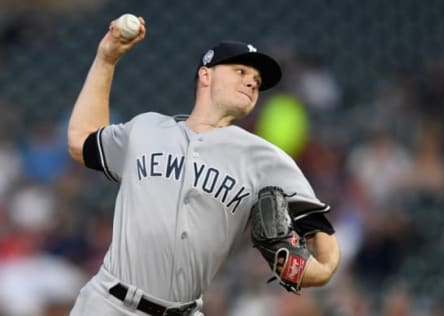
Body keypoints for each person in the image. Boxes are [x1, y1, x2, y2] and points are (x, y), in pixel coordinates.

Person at [67, 15, 340, 316]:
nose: (251, 81)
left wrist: (313, 271)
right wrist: (106, 60)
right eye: (240, 71)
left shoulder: (266, 158)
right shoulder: (145, 129)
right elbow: (81, 140)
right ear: (205, 75)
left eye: (257, 81)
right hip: (107, 303)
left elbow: (322, 247)